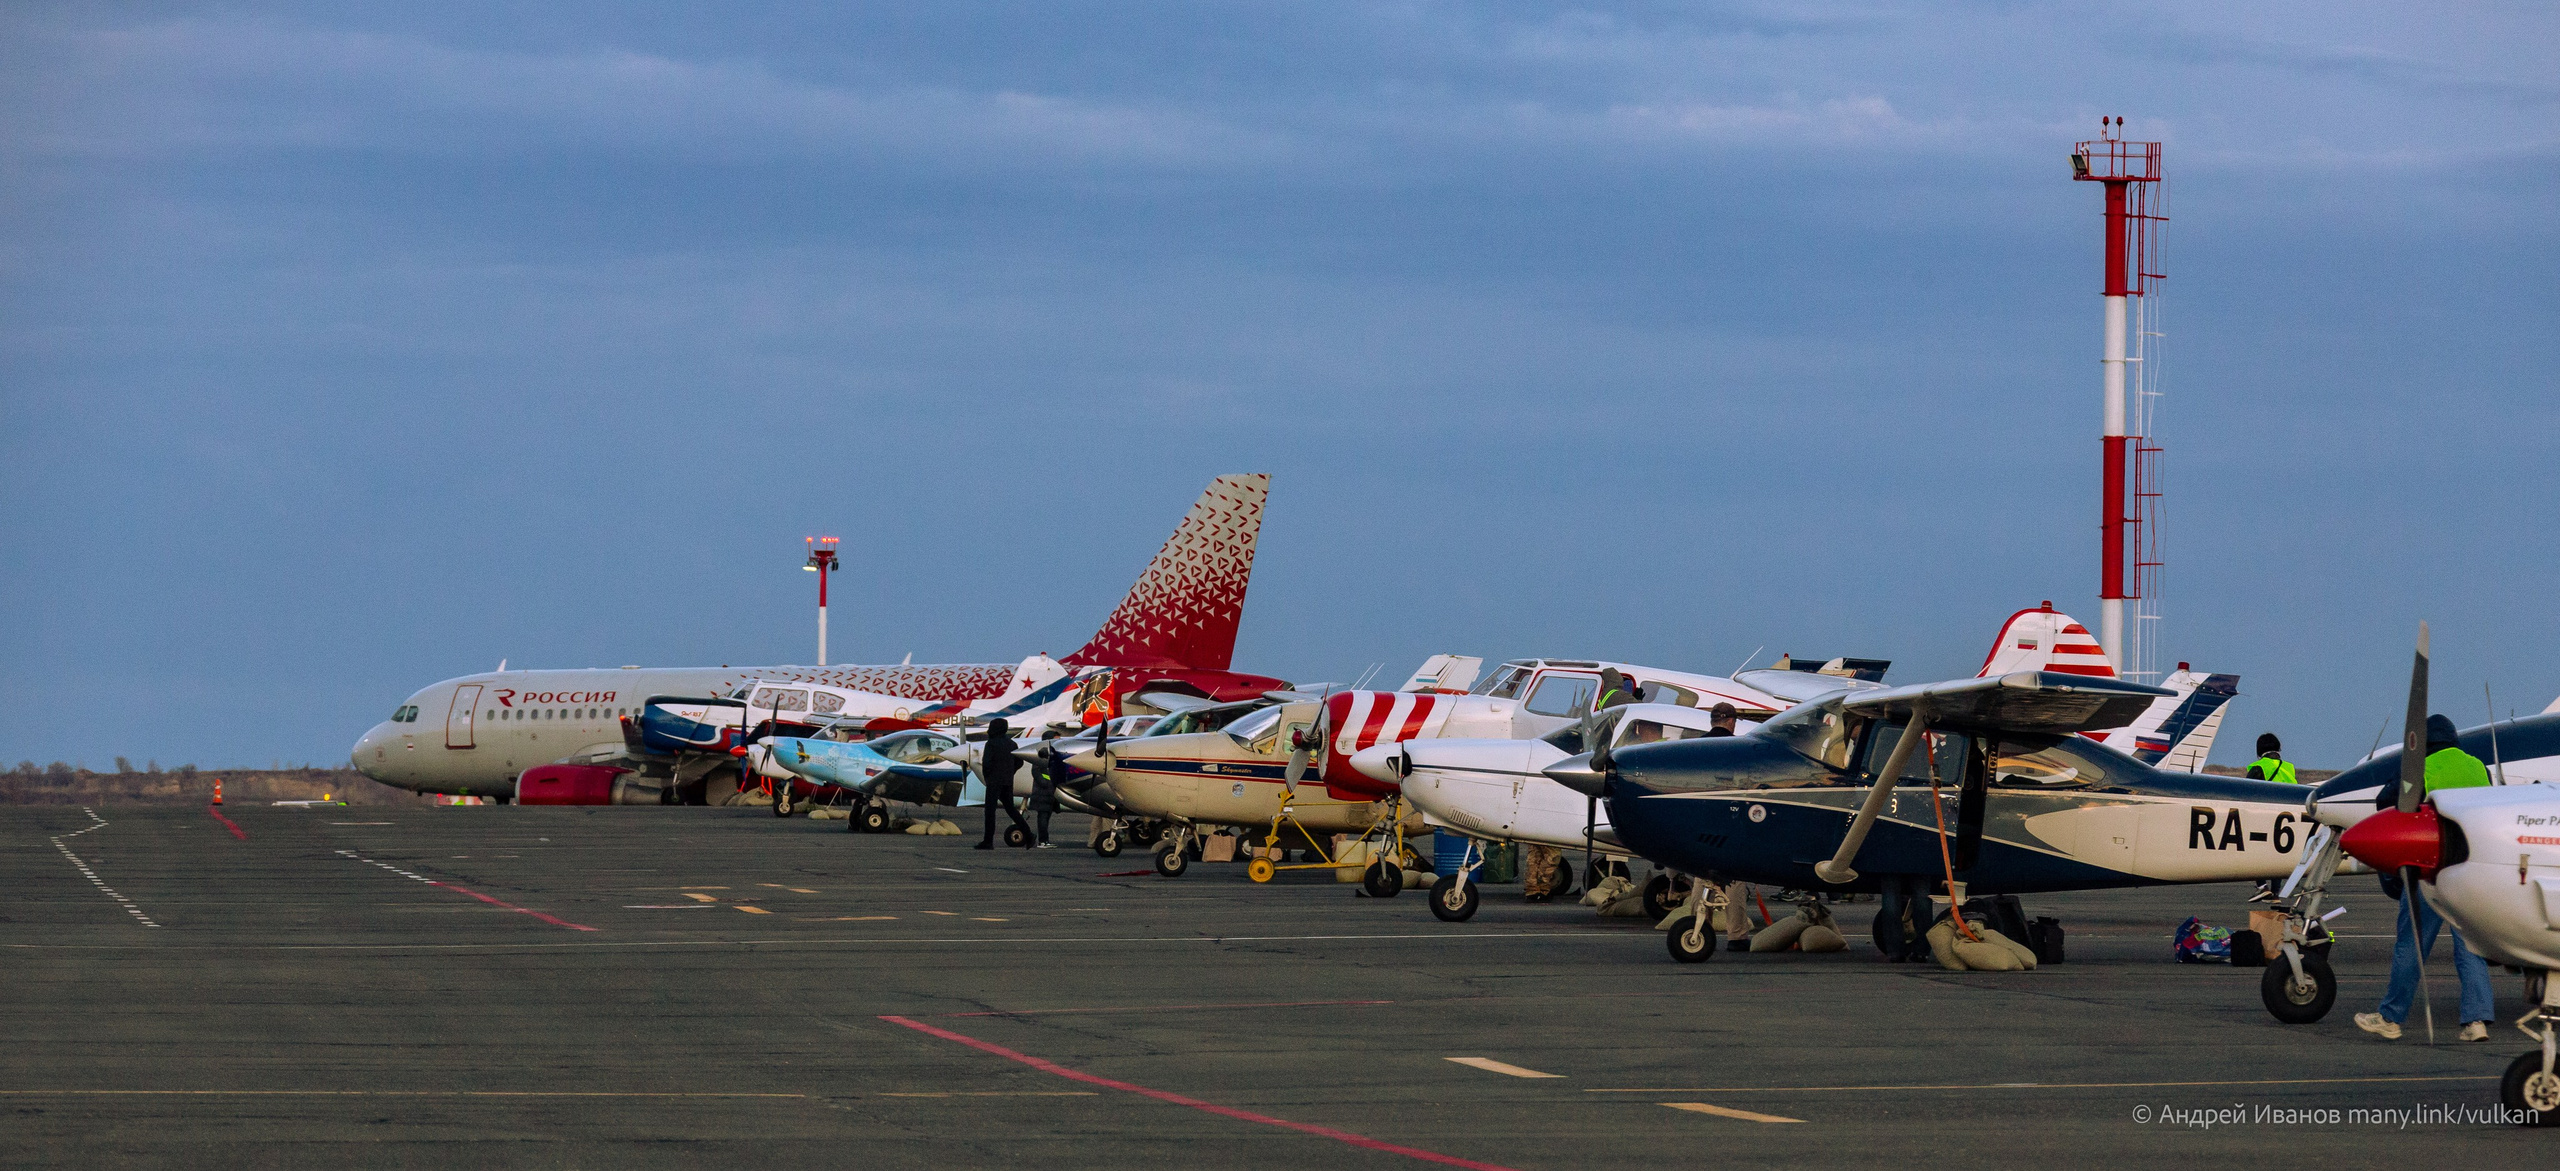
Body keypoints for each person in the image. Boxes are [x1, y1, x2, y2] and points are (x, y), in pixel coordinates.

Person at [2355, 714, 2496, 1042]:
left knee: (2412, 945)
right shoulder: (2478, 767)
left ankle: (2391, 1018)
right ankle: (2476, 1021)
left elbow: (2386, 802)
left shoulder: (2420, 767)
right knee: (2470, 947)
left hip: (2429, 872)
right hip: (2468, 873)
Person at [975, 718, 1033, 850]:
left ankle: (988, 841)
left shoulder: (991, 743)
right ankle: (1028, 834)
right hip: (1007, 781)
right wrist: (1010, 772)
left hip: (994, 782)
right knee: (1011, 809)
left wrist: (988, 777)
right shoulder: (1012, 744)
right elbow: (1019, 762)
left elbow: (987, 763)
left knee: (990, 811)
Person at [1028, 729, 1061, 847]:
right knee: (1043, 817)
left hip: (1048, 792)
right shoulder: (1042, 754)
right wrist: (1048, 783)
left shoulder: (1051, 754)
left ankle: (1044, 840)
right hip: (1043, 792)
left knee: (1045, 817)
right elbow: (1036, 772)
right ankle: (1043, 841)